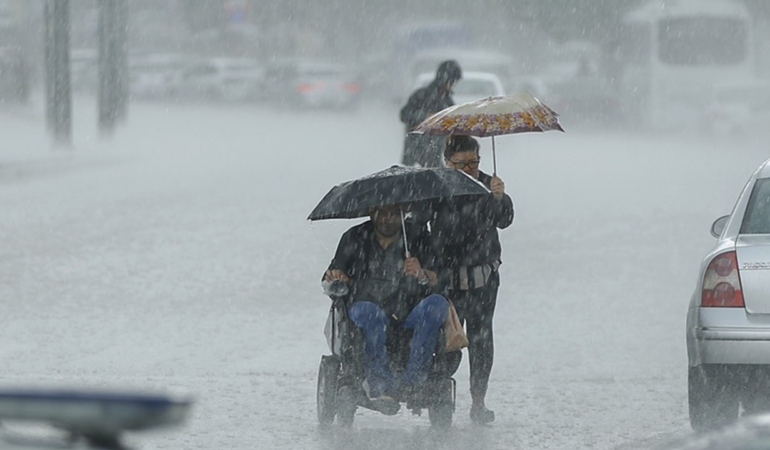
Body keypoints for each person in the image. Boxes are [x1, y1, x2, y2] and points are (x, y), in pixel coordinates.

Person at [322, 204, 448, 409]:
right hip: (366, 308)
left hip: (408, 312)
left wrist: (421, 273)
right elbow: (332, 276)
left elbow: (440, 278)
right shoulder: (354, 237)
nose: (387, 219)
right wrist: (338, 277)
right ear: (371, 212)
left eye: (393, 214)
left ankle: (412, 382)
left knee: (437, 304)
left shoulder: (418, 236)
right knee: (369, 314)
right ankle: (381, 384)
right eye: (382, 213)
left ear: (402, 214)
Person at [429, 135, 514, 424]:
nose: (469, 169)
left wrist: (499, 198)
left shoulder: (490, 186)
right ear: (447, 162)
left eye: (474, 162)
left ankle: (478, 401)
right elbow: (418, 224)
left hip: (483, 279)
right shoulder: (437, 187)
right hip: (448, 282)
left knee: (481, 338)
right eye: (461, 163)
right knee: (447, 340)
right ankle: (440, 397)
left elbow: (505, 219)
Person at [399, 60, 462, 168]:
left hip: (435, 153)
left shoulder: (448, 102)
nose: (452, 85)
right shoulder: (421, 95)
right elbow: (404, 114)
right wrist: (424, 117)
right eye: (451, 81)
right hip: (414, 151)